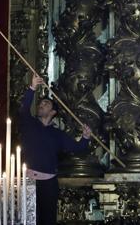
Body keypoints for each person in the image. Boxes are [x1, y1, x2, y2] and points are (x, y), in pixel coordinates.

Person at [18, 73, 92, 225]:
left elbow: (77, 148)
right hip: (28, 182)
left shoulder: (58, 134)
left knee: (48, 220)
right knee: (28, 219)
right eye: (40, 103)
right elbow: (24, 109)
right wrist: (32, 87)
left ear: (52, 112)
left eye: (45, 103)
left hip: (49, 183)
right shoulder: (29, 124)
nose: (41, 105)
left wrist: (85, 137)